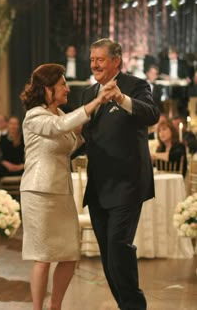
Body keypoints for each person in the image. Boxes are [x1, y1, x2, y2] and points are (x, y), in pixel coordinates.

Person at [19, 63, 115, 310]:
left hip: (61, 191)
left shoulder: (62, 115)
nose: (67, 89)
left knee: (70, 254)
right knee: (43, 257)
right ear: (47, 88)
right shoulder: (34, 115)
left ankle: (56, 306)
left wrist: (84, 132)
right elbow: (58, 129)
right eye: (62, 84)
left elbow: (68, 144)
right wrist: (95, 103)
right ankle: (38, 308)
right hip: (38, 192)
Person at [81, 38, 160, 310]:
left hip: (127, 185)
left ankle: (134, 306)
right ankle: (126, 306)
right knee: (107, 257)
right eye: (92, 60)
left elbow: (151, 114)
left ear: (116, 60)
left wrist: (121, 99)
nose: (94, 65)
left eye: (100, 59)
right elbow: (83, 136)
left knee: (118, 249)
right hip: (98, 186)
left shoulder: (136, 86)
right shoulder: (88, 93)